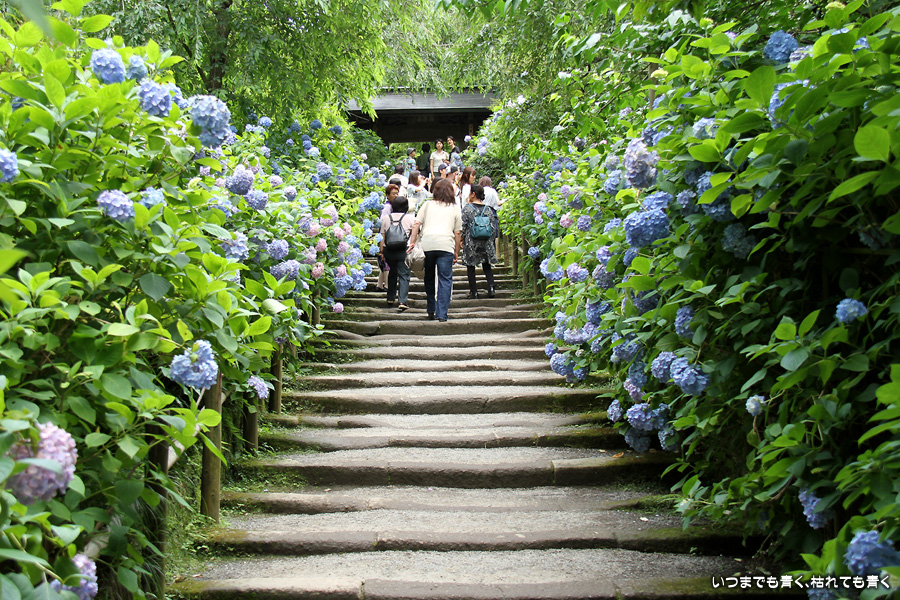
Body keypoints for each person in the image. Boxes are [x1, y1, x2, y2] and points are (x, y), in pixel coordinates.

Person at [407, 178, 461, 322]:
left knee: (429, 277)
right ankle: (442, 314)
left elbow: (416, 224)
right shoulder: (454, 208)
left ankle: (431, 309)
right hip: (446, 245)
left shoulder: (427, 205)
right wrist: (456, 251)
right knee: (445, 279)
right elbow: (457, 232)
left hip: (428, 244)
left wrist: (412, 243)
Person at [460, 185, 498, 299]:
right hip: (486, 241)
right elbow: (493, 227)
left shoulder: (467, 209)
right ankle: (491, 287)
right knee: (487, 265)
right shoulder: (488, 209)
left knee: (470, 266)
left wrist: (462, 240)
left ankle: (474, 292)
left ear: (473, 194)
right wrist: (491, 241)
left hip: (471, 241)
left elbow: (463, 226)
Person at [380, 195, 415, 311]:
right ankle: (402, 301)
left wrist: (381, 252)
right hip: (403, 250)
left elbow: (382, 237)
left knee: (392, 272)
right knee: (404, 274)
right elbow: (415, 234)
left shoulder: (386, 218)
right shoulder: (410, 218)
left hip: (389, 250)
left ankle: (390, 297)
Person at [376, 183, 401, 292]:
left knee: (384, 262)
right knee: (387, 263)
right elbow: (383, 223)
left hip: (388, 236)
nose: (396, 196)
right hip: (386, 236)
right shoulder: (387, 207)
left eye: (397, 194)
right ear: (387, 195)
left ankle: (379, 285)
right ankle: (387, 285)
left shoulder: (392, 206)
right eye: (393, 194)